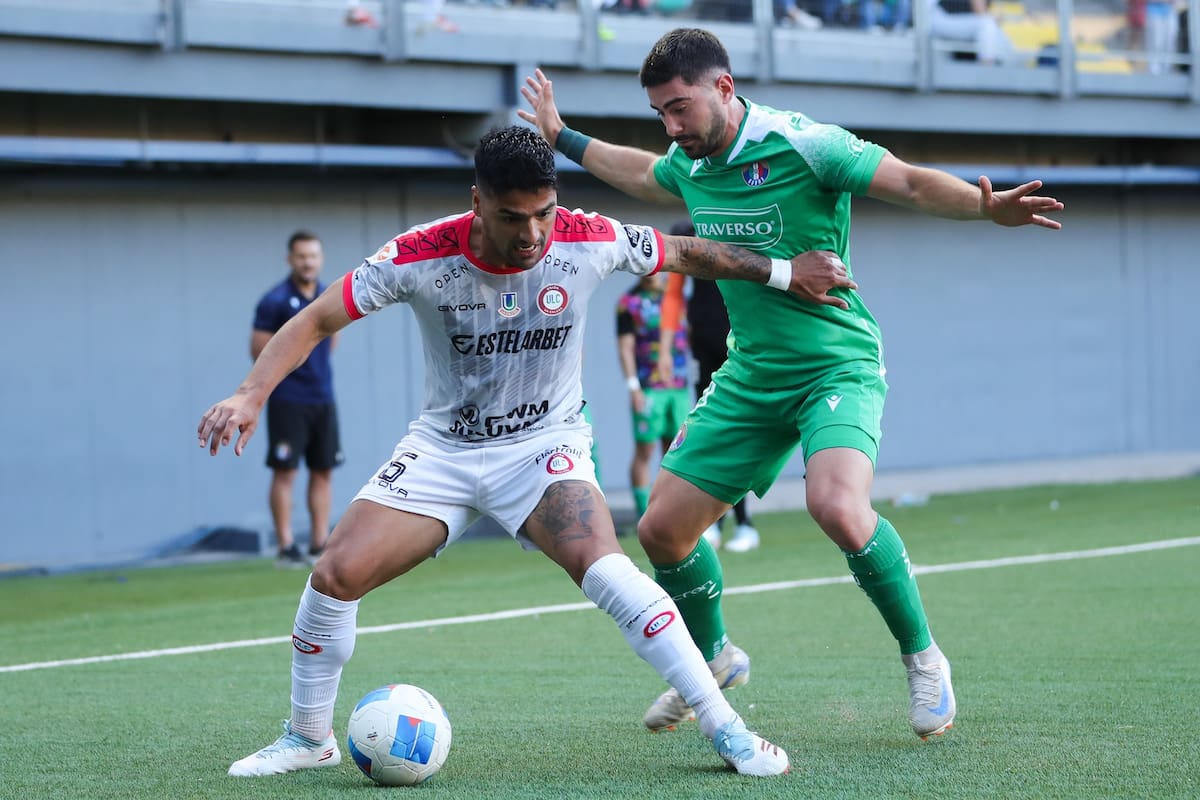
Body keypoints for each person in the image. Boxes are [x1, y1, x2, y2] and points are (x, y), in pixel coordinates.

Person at [199, 125, 860, 779]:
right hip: (444, 451)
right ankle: (308, 736)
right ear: (477, 201)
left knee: (606, 571)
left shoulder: (586, 237)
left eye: (544, 212)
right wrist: (250, 394)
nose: (533, 234)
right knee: (332, 577)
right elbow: (317, 318)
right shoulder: (419, 254)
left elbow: (689, 252)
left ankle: (727, 727)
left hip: (546, 449)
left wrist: (783, 272)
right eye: (513, 218)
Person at [518, 28, 1063, 741]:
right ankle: (714, 659)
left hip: (837, 362)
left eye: (680, 108)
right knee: (661, 531)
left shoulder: (804, 144)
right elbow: (641, 172)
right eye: (661, 114)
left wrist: (982, 207)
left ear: (723, 87)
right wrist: (563, 137)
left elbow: (903, 180)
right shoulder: (688, 160)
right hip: (753, 375)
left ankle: (924, 657)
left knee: (836, 505)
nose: (672, 127)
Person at [661, 221, 761, 553]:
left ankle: (745, 523)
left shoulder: (728, 229)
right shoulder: (684, 232)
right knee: (709, 432)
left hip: (739, 346)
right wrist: (664, 349)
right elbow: (673, 296)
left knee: (741, 433)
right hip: (701, 347)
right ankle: (714, 522)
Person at [252, 230, 343, 566]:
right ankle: (286, 547)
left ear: (320, 259)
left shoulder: (326, 296)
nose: (308, 262)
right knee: (285, 471)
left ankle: (319, 544)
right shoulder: (274, 300)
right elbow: (259, 351)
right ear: (290, 259)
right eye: (301, 256)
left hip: (323, 397)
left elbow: (331, 341)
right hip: (288, 400)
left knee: (323, 470)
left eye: (313, 256)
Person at [616, 271, 692, 522]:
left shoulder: (678, 299)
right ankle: (644, 515)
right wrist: (633, 387)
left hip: (679, 386)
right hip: (648, 387)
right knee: (645, 449)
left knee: (675, 451)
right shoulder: (629, 303)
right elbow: (625, 348)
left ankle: (669, 515)